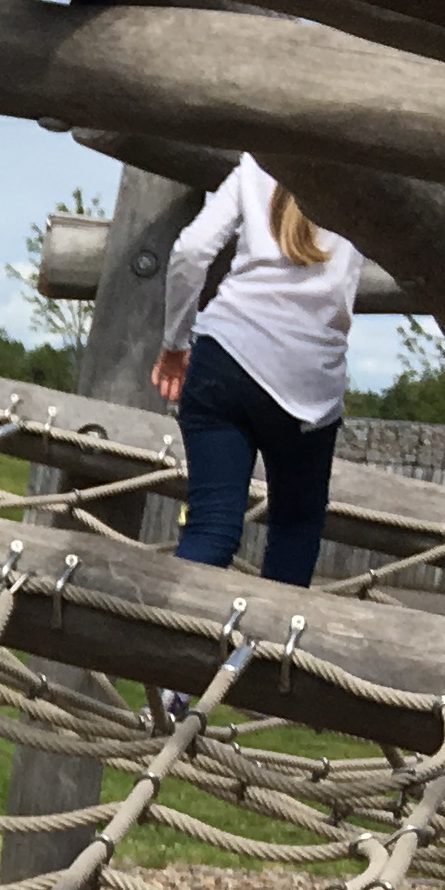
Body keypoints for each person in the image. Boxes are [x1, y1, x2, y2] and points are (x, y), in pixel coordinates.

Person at [154, 156, 360, 587]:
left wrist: (175, 342)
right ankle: (266, 652)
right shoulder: (368, 167)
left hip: (224, 353)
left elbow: (192, 250)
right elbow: (441, 230)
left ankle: (169, 640)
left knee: (210, 529)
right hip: (305, 378)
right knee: (294, 527)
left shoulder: (257, 161)